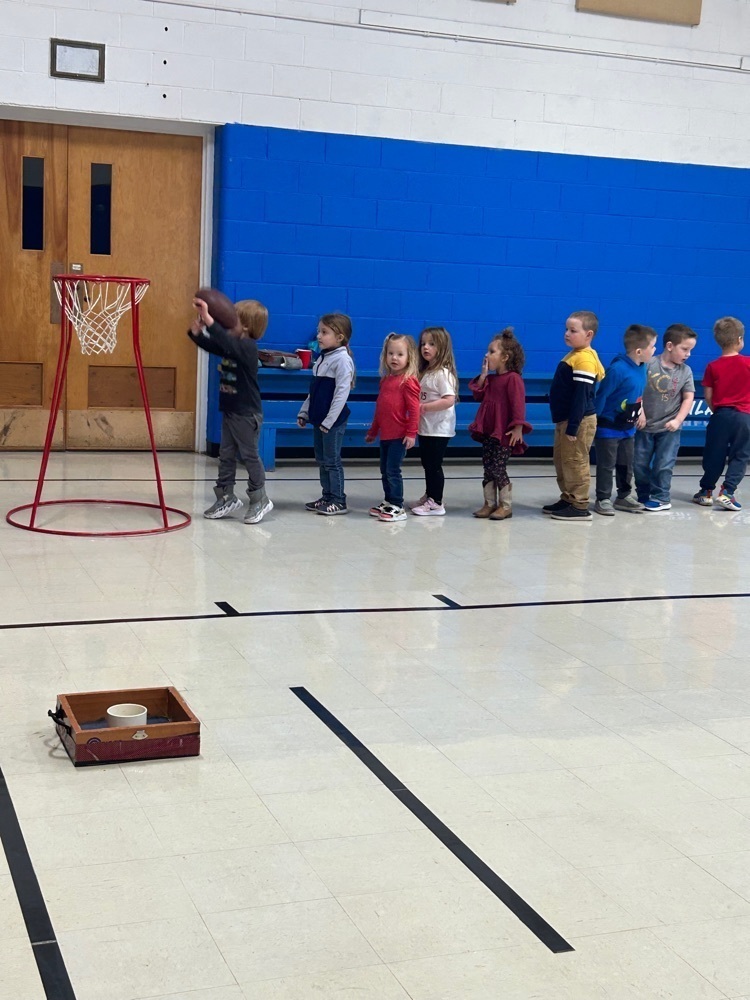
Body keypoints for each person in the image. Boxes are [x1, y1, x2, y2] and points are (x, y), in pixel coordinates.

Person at [188, 296, 273, 524]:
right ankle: (226, 496)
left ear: (244, 326)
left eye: (230, 319)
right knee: (225, 454)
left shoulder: (246, 347)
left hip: (246, 414)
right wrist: (197, 332)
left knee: (249, 455)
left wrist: (209, 319)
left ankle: (259, 497)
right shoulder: (232, 347)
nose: (225, 323)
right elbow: (213, 344)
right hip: (231, 411)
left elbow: (225, 341)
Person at [544, 310, 605, 521]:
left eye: (573, 330)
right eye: (566, 329)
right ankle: (568, 498)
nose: (567, 334)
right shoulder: (575, 355)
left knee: (576, 461)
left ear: (588, 334)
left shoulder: (585, 360)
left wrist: (573, 427)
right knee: (562, 460)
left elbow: (582, 396)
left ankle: (579, 505)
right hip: (566, 419)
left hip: (577, 421)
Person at [593, 324, 658, 516]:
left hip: (628, 427)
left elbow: (637, 394)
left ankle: (623, 496)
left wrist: (642, 412)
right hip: (609, 427)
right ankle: (603, 498)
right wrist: (593, 421)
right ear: (639, 351)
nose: (655, 351)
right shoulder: (617, 370)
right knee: (607, 464)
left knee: (626, 462)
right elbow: (601, 395)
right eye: (652, 347)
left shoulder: (643, 367)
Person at [468, 329, 531, 520]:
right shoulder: (491, 379)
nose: (487, 355)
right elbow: (478, 394)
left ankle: (506, 505)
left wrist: (518, 427)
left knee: (498, 467)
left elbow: (518, 404)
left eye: (491, 351)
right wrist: (483, 375)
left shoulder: (513, 379)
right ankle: (489, 503)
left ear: (505, 357)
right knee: (488, 466)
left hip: (504, 432)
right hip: (489, 430)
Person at [634, 324, 698, 511]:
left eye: (690, 350)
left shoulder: (685, 371)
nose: (688, 354)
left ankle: (661, 496)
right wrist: (641, 412)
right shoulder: (648, 365)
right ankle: (643, 494)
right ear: (670, 346)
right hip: (644, 426)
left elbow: (688, 397)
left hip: (669, 428)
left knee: (664, 464)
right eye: (685, 349)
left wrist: (678, 420)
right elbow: (637, 390)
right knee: (639, 463)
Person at [297, 313, 355, 515]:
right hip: (319, 420)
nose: (319, 336)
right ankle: (327, 496)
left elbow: (341, 394)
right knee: (321, 459)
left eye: (324, 332)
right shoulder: (322, 358)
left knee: (332, 460)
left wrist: (329, 421)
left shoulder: (342, 360)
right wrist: (304, 412)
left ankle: (339, 499)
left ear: (339, 337)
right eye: (318, 331)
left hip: (333, 421)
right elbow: (314, 392)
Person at [693, 315, 750, 511]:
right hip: (745, 417)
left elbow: (708, 396)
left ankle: (706, 492)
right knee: (740, 455)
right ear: (740, 340)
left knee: (714, 454)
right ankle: (728, 492)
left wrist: (718, 409)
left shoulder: (712, 366)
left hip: (720, 416)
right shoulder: (748, 363)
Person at [365, 333, 420, 522]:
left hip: (399, 436)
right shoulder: (386, 380)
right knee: (384, 469)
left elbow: (414, 410)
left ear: (409, 357)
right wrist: (373, 431)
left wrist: (411, 433)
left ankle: (397, 504)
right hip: (385, 436)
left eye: (400, 354)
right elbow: (380, 410)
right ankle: (388, 500)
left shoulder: (408, 381)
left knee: (393, 470)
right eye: (391, 353)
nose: (394, 358)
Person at [411, 326, 458, 516]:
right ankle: (430, 494)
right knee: (427, 463)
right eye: (423, 343)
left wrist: (424, 408)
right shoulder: (426, 371)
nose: (425, 347)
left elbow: (449, 399)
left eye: (431, 344)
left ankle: (437, 502)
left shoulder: (443, 374)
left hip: (439, 428)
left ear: (442, 347)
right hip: (426, 427)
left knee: (433, 465)